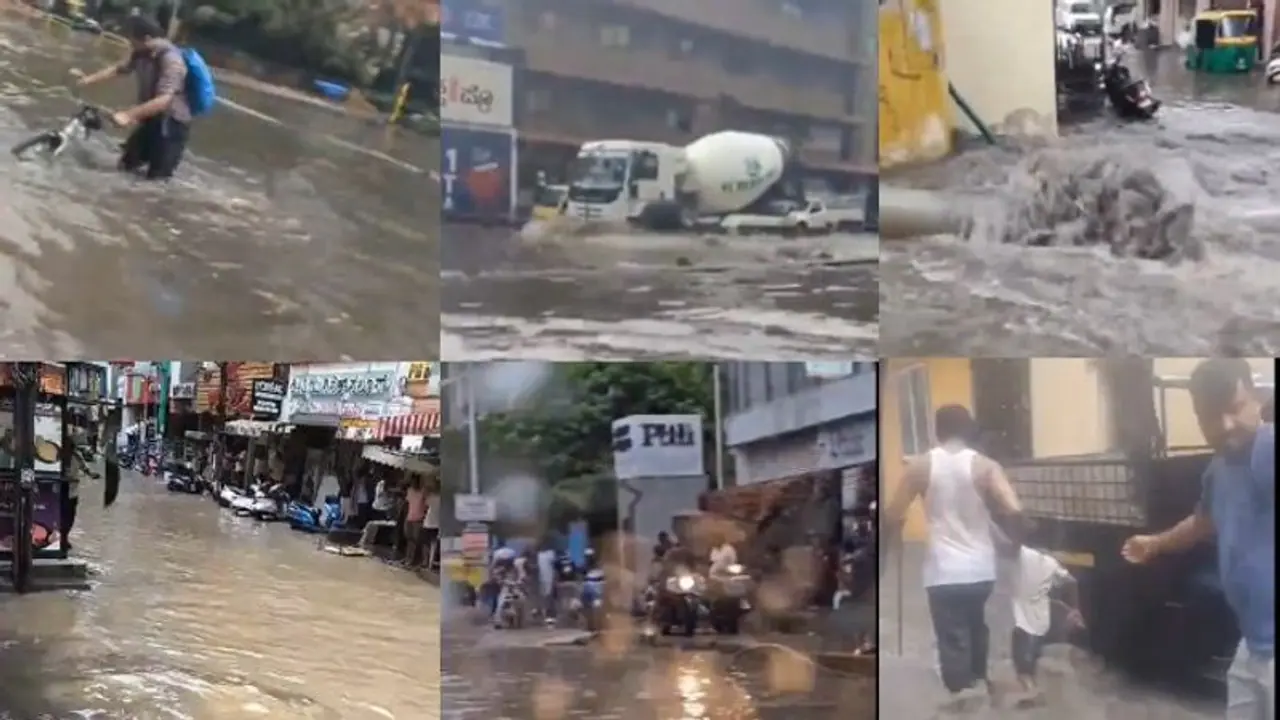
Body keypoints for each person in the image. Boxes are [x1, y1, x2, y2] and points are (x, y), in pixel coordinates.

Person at [1120, 359, 1273, 719]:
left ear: (1256, 399)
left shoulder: (1268, 449)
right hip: (1252, 645)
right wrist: (1155, 543)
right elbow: (1203, 521)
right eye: (1208, 416)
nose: (1224, 426)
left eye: (1234, 410)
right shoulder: (1218, 472)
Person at [882, 404, 1025, 711]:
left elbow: (893, 513)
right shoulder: (986, 466)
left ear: (937, 430)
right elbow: (1014, 509)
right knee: (977, 625)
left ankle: (964, 697)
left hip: (943, 571)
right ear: (967, 429)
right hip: (981, 570)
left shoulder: (920, 467)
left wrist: (893, 534)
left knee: (952, 635)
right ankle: (980, 681)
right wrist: (1014, 543)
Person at [74, 15, 191, 179]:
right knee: (126, 165)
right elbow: (118, 70)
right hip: (150, 118)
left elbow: (164, 100)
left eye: (131, 39)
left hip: (172, 125)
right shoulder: (141, 52)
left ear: (147, 38)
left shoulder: (171, 60)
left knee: (157, 180)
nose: (129, 43)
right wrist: (86, 80)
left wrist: (128, 115)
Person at [1001, 519, 1085, 707]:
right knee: (1031, 656)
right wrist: (1075, 609)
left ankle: (1032, 691)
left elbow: (1003, 543)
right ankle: (1034, 686)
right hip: (1041, 619)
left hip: (1023, 620)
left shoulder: (1021, 554)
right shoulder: (1051, 562)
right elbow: (1072, 582)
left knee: (1021, 661)